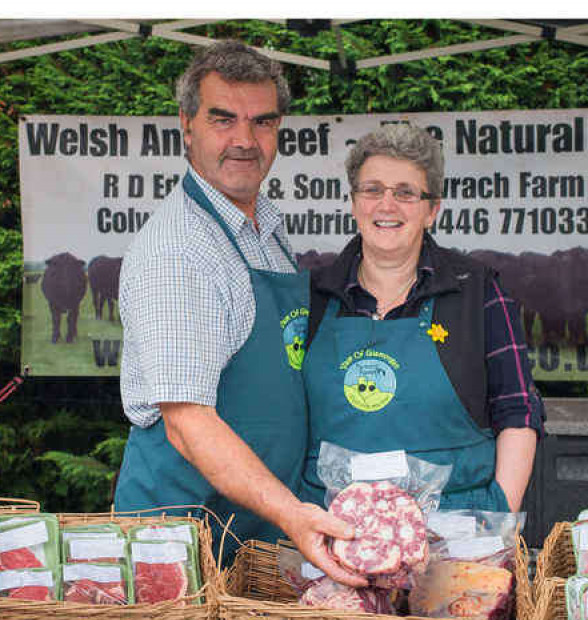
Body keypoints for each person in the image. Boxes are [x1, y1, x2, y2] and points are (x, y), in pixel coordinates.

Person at [114, 40, 364, 585]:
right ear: (186, 125)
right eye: (223, 119)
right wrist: (293, 513)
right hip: (182, 544)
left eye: (262, 122)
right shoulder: (179, 249)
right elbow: (186, 422)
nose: (244, 141)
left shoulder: (263, 230)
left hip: (257, 533)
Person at [301, 123, 545, 515]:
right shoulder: (311, 297)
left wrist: (498, 510)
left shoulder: (477, 291)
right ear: (353, 202)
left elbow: (516, 409)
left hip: (456, 527)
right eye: (373, 189)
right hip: (331, 532)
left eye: (406, 193)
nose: (386, 205)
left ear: (433, 210)